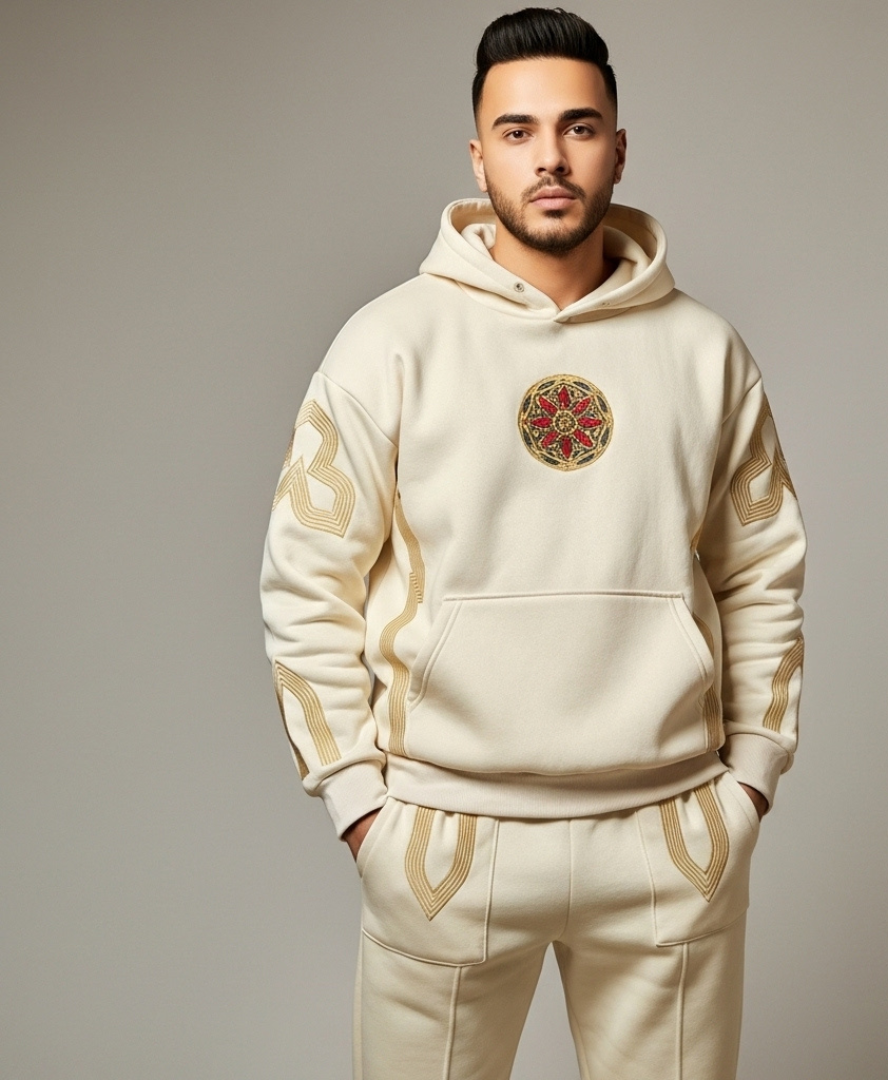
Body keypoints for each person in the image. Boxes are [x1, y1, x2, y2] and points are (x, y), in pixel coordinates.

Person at [260, 8, 806, 1078]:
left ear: (618, 148)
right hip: (445, 835)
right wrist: (358, 805)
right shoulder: (387, 344)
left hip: (669, 831)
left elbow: (763, 572)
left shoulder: (705, 352)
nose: (549, 157)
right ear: (479, 157)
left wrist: (749, 778)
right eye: (518, 132)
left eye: (577, 127)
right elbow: (305, 581)